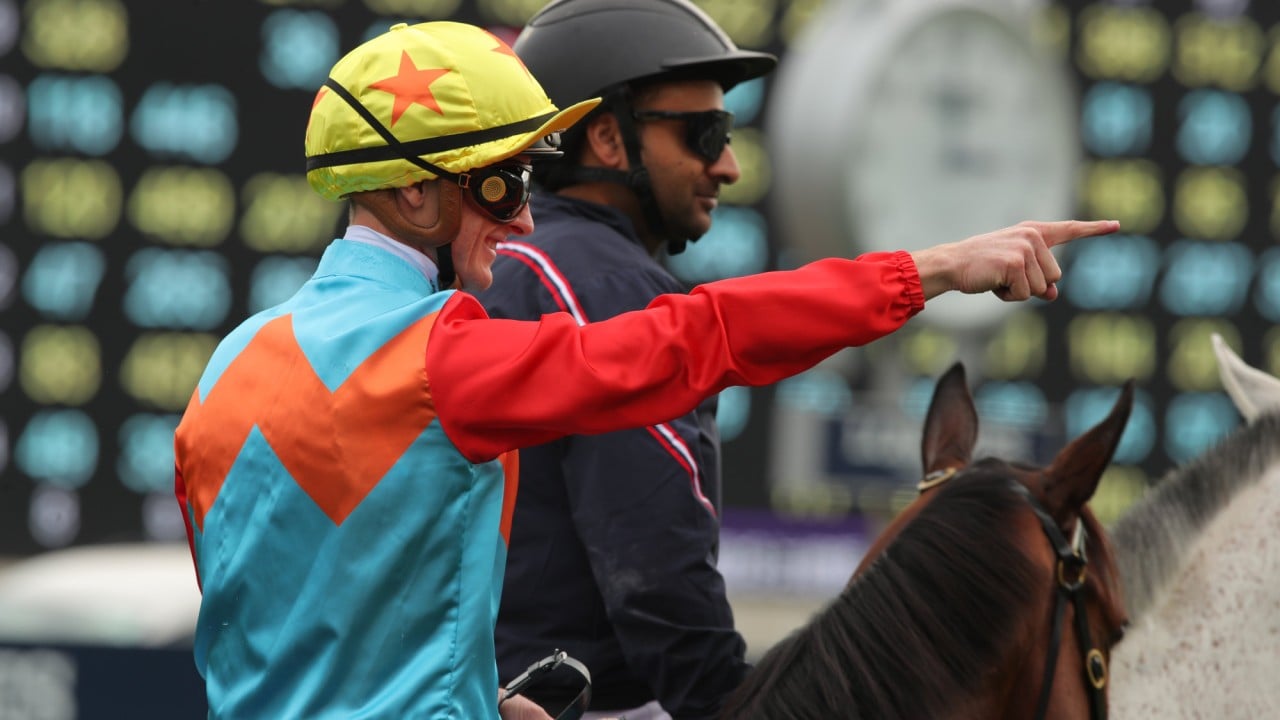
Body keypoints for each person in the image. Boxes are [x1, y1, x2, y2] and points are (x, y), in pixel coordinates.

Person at [171, 18, 1117, 720]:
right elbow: (697, 339)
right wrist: (933, 269)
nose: (525, 217)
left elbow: (297, 627)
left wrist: (473, 698)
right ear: (415, 193)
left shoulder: (227, 367)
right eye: (502, 184)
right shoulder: (436, 362)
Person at [474, 1, 775, 717]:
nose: (728, 166)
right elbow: (656, 573)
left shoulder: (484, 265)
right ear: (608, 138)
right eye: (705, 134)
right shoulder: (610, 290)